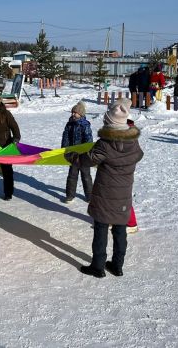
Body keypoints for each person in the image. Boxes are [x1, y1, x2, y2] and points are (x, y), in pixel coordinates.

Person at [66, 97, 143, 278]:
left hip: (105, 194)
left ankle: (98, 266)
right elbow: (139, 155)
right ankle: (117, 265)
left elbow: (86, 160)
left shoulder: (105, 143)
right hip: (123, 194)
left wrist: (71, 157)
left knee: (101, 229)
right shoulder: (133, 142)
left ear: (110, 123)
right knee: (119, 229)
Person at [61, 101, 94, 203]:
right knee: (72, 176)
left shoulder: (85, 125)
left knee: (86, 176)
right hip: (73, 155)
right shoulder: (69, 124)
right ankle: (70, 195)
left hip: (84, 156)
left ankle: (90, 196)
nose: (73, 114)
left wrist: (87, 152)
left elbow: (89, 140)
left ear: (81, 114)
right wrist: (65, 149)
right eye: (72, 112)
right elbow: (65, 137)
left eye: (75, 113)